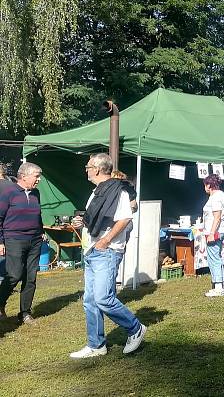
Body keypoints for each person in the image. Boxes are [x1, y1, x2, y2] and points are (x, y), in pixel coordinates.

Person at [69, 153, 145, 358]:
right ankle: (96, 345)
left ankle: (135, 328)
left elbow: (124, 219)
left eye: (88, 166)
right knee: (90, 301)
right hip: (93, 251)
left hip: (107, 251)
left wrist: (106, 240)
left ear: (97, 169)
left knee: (103, 298)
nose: (86, 169)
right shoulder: (97, 192)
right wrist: (81, 222)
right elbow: (94, 218)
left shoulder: (117, 190)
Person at [0, 163, 44, 324]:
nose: (39, 180)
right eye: (36, 176)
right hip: (14, 239)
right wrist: (1, 242)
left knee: (30, 277)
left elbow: (37, 215)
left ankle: (25, 313)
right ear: (24, 176)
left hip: (35, 240)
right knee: (14, 275)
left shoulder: (36, 193)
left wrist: (41, 232)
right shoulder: (8, 192)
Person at [201, 174, 224, 297]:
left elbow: (217, 217)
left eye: (205, 185)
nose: (204, 187)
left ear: (209, 185)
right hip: (218, 230)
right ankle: (219, 283)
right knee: (215, 256)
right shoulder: (221, 195)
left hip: (215, 231)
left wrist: (212, 233)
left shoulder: (216, 197)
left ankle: (218, 287)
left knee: (214, 257)